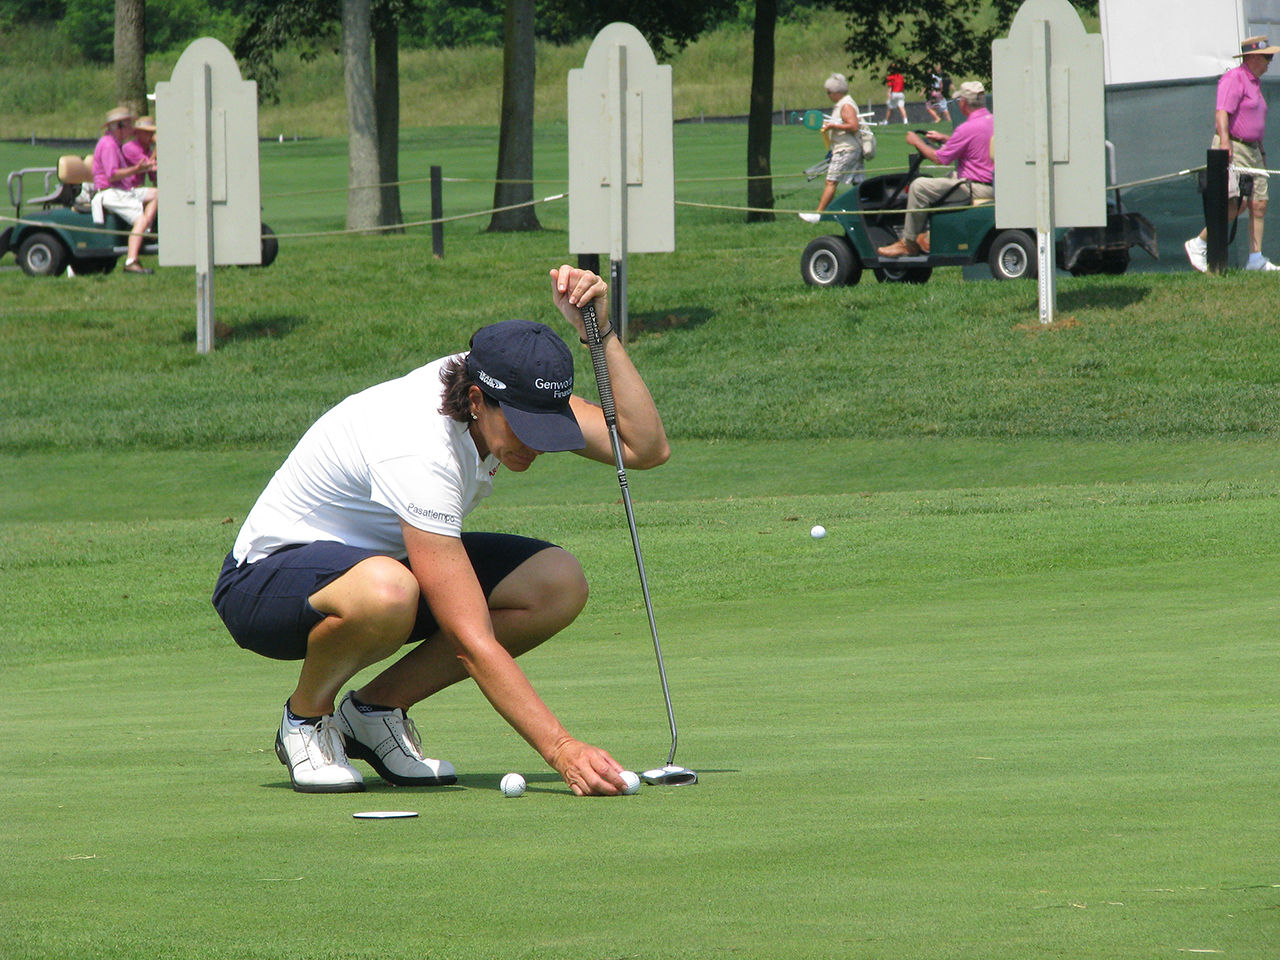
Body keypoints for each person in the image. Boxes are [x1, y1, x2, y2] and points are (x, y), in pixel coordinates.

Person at [212, 265, 671, 797]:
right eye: (523, 429)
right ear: (476, 401)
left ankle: (373, 713)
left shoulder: (509, 386)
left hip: (378, 569)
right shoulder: (419, 445)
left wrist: (602, 334)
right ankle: (305, 720)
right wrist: (562, 749)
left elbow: (644, 447)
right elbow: (470, 639)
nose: (537, 445)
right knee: (390, 591)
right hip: (265, 584)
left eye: (546, 428)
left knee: (555, 582)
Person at [1185, 36, 1280, 273]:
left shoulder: (1255, 84)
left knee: (1258, 203)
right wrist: (1225, 142)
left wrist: (1261, 149)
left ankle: (1255, 259)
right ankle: (1199, 243)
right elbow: (1221, 113)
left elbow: (1253, 121)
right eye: (1267, 56)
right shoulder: (1234, 78)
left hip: (1253, 149)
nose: (1270, 62)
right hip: (1234, 147)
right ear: (1252, 57)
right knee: (1235, 203)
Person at [877, 80, 994, 258]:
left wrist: (916, 142)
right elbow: (972, 145)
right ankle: (931, 235)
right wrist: (944, 138)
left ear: (963, 102)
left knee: (919, 186)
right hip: (991, 183)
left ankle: (908, 242)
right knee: (949, 176)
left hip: (977, 186)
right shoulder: (991, 121)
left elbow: (940, 158)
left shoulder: (967, 128)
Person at [91, 106, 157, 275]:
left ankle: (143, 231)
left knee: (158, 194)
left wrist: (142, 168)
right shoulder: (108, 145)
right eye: (128, 125)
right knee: (140, 220)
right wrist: (137, 169)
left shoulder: (115, 144)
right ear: (119, 127)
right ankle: (131, 260)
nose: (132, 129)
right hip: (110, 191)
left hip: (121, 190)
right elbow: (112, 176)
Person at [800, 73, 865, 223]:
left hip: (846, 149)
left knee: (831, 181)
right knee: (859, 182)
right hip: (850, 148)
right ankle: (867, 213)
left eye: (829, 92)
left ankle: (818, 214)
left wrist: (833, 126)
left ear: (837, 92)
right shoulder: (844, 103)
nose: (828, 95)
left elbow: (853, 126)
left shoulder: (846, 105)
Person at [122, 115, 157, 188]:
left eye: (152, 133)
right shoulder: (130, 148)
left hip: (138, 188)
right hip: (126, 188)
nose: (150, 135)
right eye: (146, 132)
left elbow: (154, 176)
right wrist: (158, 147)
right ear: (137, 133)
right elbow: (148, 166)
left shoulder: (148, 151)